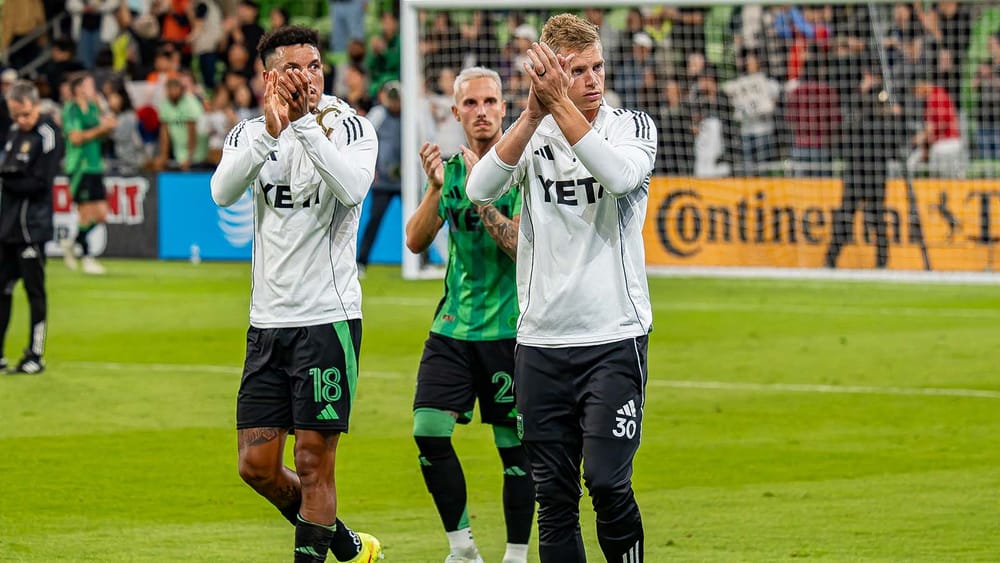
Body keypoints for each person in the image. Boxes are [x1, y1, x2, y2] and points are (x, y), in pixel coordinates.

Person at [466, 13, 655, 563]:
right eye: (577, 71)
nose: (594, 79)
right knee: (554, 498)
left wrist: (561, 106)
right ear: (549, 71)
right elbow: (480, 189)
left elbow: (619, 178)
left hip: (614, 339)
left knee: (607, 482)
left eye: (598, 66)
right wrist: (529, 114)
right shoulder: (535, 134)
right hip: (542, 344)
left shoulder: (630, 127)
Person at [209, 25, 383, 563]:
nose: (308, 75)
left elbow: (353, 188)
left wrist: (305, 125)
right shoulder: (248, 133)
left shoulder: (350, 127)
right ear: (268, 76)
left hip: (326, 319)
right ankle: (347, 544)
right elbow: (222, 192)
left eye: (314, 65)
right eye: (294, 67)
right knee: (255, 466)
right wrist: (269, 131)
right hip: (268, 322)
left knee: (312, 464)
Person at [404, 66, 533, 563]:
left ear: (505, 108)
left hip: (509, 330)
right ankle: (462, 549)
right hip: (453, 327)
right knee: (427, 431)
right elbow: (415, 241)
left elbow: (521, 248)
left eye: (490, 102)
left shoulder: (524, 167)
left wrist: (481, 196)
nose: (481, 112)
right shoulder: (450, 170)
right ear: (456, 112)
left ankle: (517, 556)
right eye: (471, 104)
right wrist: (437, 189)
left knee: (514, 451)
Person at [0, 80, 62, 375]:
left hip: (33, 227)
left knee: (34, 291)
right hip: (8, 225)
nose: (20, 121)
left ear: (35, 105)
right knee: (3, 289)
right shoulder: (13, 132)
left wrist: (8, 178)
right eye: (15, 115)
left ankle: (35, 354)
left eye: (24, 114)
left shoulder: (48, 135)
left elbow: (40, 183)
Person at [825, 60, 904, 269]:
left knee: (877, 215)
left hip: (876, 168)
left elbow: (893, 137)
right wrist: (861, 95)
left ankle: (882, 261)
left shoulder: (885, 102)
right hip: (856, 168)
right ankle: (831, 257)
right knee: (846, 215)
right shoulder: (855, 100)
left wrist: (894, 116)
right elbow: (847, 126)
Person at [61, 73, 116, 275]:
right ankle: (87, 257)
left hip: (95, 165)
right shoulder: (71, 109)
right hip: (79, 166)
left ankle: (70, 243)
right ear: (79, 89)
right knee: (85, 213)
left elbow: (104, 130)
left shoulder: (93, 108)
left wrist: (108, 126)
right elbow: (75, 138)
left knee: (102, 214)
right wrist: (101, 128)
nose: (93, 88)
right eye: (89, 85)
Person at [356, 80, 401, 273]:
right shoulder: (378, 115)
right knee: (374, 220)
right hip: (383, 179)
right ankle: (361, 262)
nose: (394, 102)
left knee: (418, 220)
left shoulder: (412, 115)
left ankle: (422, 262)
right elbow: (365, 141)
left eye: (396, 97)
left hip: (406, 180)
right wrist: (371, 167)